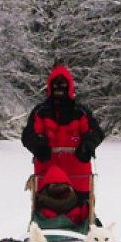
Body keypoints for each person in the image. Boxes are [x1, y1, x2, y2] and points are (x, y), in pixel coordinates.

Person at [22, 64, 105, 200]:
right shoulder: (40, 112)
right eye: (55, 85)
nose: (59, 88)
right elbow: (29, 134)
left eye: (63, 84)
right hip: (48, 178)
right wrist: (38, 146)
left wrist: (87, 145)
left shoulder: (80, 112)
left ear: (69, 86)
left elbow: (95, 132)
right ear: (50, 87)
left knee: (80, 210)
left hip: (78, 177)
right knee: (46, 210)